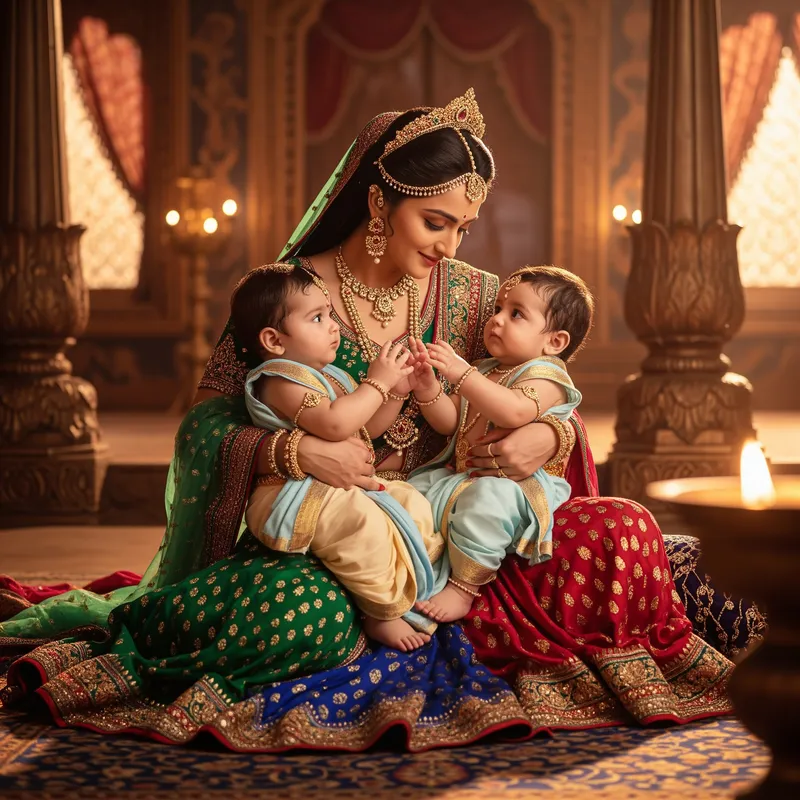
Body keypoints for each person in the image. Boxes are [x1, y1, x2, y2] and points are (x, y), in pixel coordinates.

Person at [0, 89, 734, 750]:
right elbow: (205, 431)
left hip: (461, 533)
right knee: (294, 618)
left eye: (464, 228)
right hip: (332, 545)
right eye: (436, 222)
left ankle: (460, 606)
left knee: (624, 529)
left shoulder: (478, 297)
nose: (451, 246)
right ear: (380, 204)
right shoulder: (286, 298)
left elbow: (542, 384)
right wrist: (293, 454)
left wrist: (550, 434)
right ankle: (380, 620)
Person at [232, 262, 441, 651]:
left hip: (336, 490)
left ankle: (413, 588)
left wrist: (396, 389)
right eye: (316, 318)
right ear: (274, 340)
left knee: (410, 500)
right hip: (292, 493)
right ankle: (381, 613)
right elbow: (333, 425)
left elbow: (368, 427)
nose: (332, 326)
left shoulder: (331, 377)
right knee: (360, 523)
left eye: (330, 314)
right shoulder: (278, 378)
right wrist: (376, 381)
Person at [407, 265, 592, 622]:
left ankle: (463, 587)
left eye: (516, 314)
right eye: (497, 310)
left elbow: (515, 412)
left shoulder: (547, 375)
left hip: (514, 487)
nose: (498, 320)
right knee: (415, 492)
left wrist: (462, 374)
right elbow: (453, 424)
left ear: (554, 341)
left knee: (486, 504)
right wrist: (428, 388)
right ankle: (415, 575)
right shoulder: (487, 369)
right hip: (463, 477)